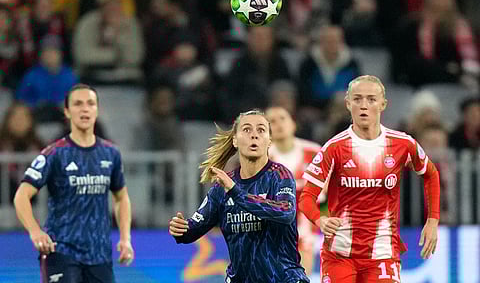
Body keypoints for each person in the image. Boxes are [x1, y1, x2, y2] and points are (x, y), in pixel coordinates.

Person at [299, 75, 440, 282]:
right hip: (340, 255)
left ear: (383, 104)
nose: (364, 105)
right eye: (357, 99)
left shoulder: (403, 144)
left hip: (383, 254)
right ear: (348, 104)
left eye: (371, 99)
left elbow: (431, 174)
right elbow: (306, 197)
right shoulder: (334, 148)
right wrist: (320, 220)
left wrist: (432, 221)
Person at [169, 109, 310, 283]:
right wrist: (180, 230)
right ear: (235, 140)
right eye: (247, 130)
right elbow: (192, 231)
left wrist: (236, 192)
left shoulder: (280, 176)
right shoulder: (222, 187)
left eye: (261, 130)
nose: (254, 136)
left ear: (269, 141)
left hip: (284, 278)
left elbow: (285, 212)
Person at [13, 83, 134, 283]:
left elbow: (121, 197)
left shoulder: (111, 153)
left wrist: (125, 238)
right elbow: (22, 195)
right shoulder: (54, 154)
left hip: (99, 254)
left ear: (97, 110)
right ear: (67, 112)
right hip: (61, 250)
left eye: (90, 104)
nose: (85, 108)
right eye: (78, 104)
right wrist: (35, 231)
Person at [265, 106, 323, 277]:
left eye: (282, 118)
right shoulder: (262, 157)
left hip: (305, 215)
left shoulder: (313, 152)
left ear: (293, 124)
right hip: (274, 218)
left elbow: (328, 188)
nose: (278, 124)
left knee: (304, 246)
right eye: (272, 122)